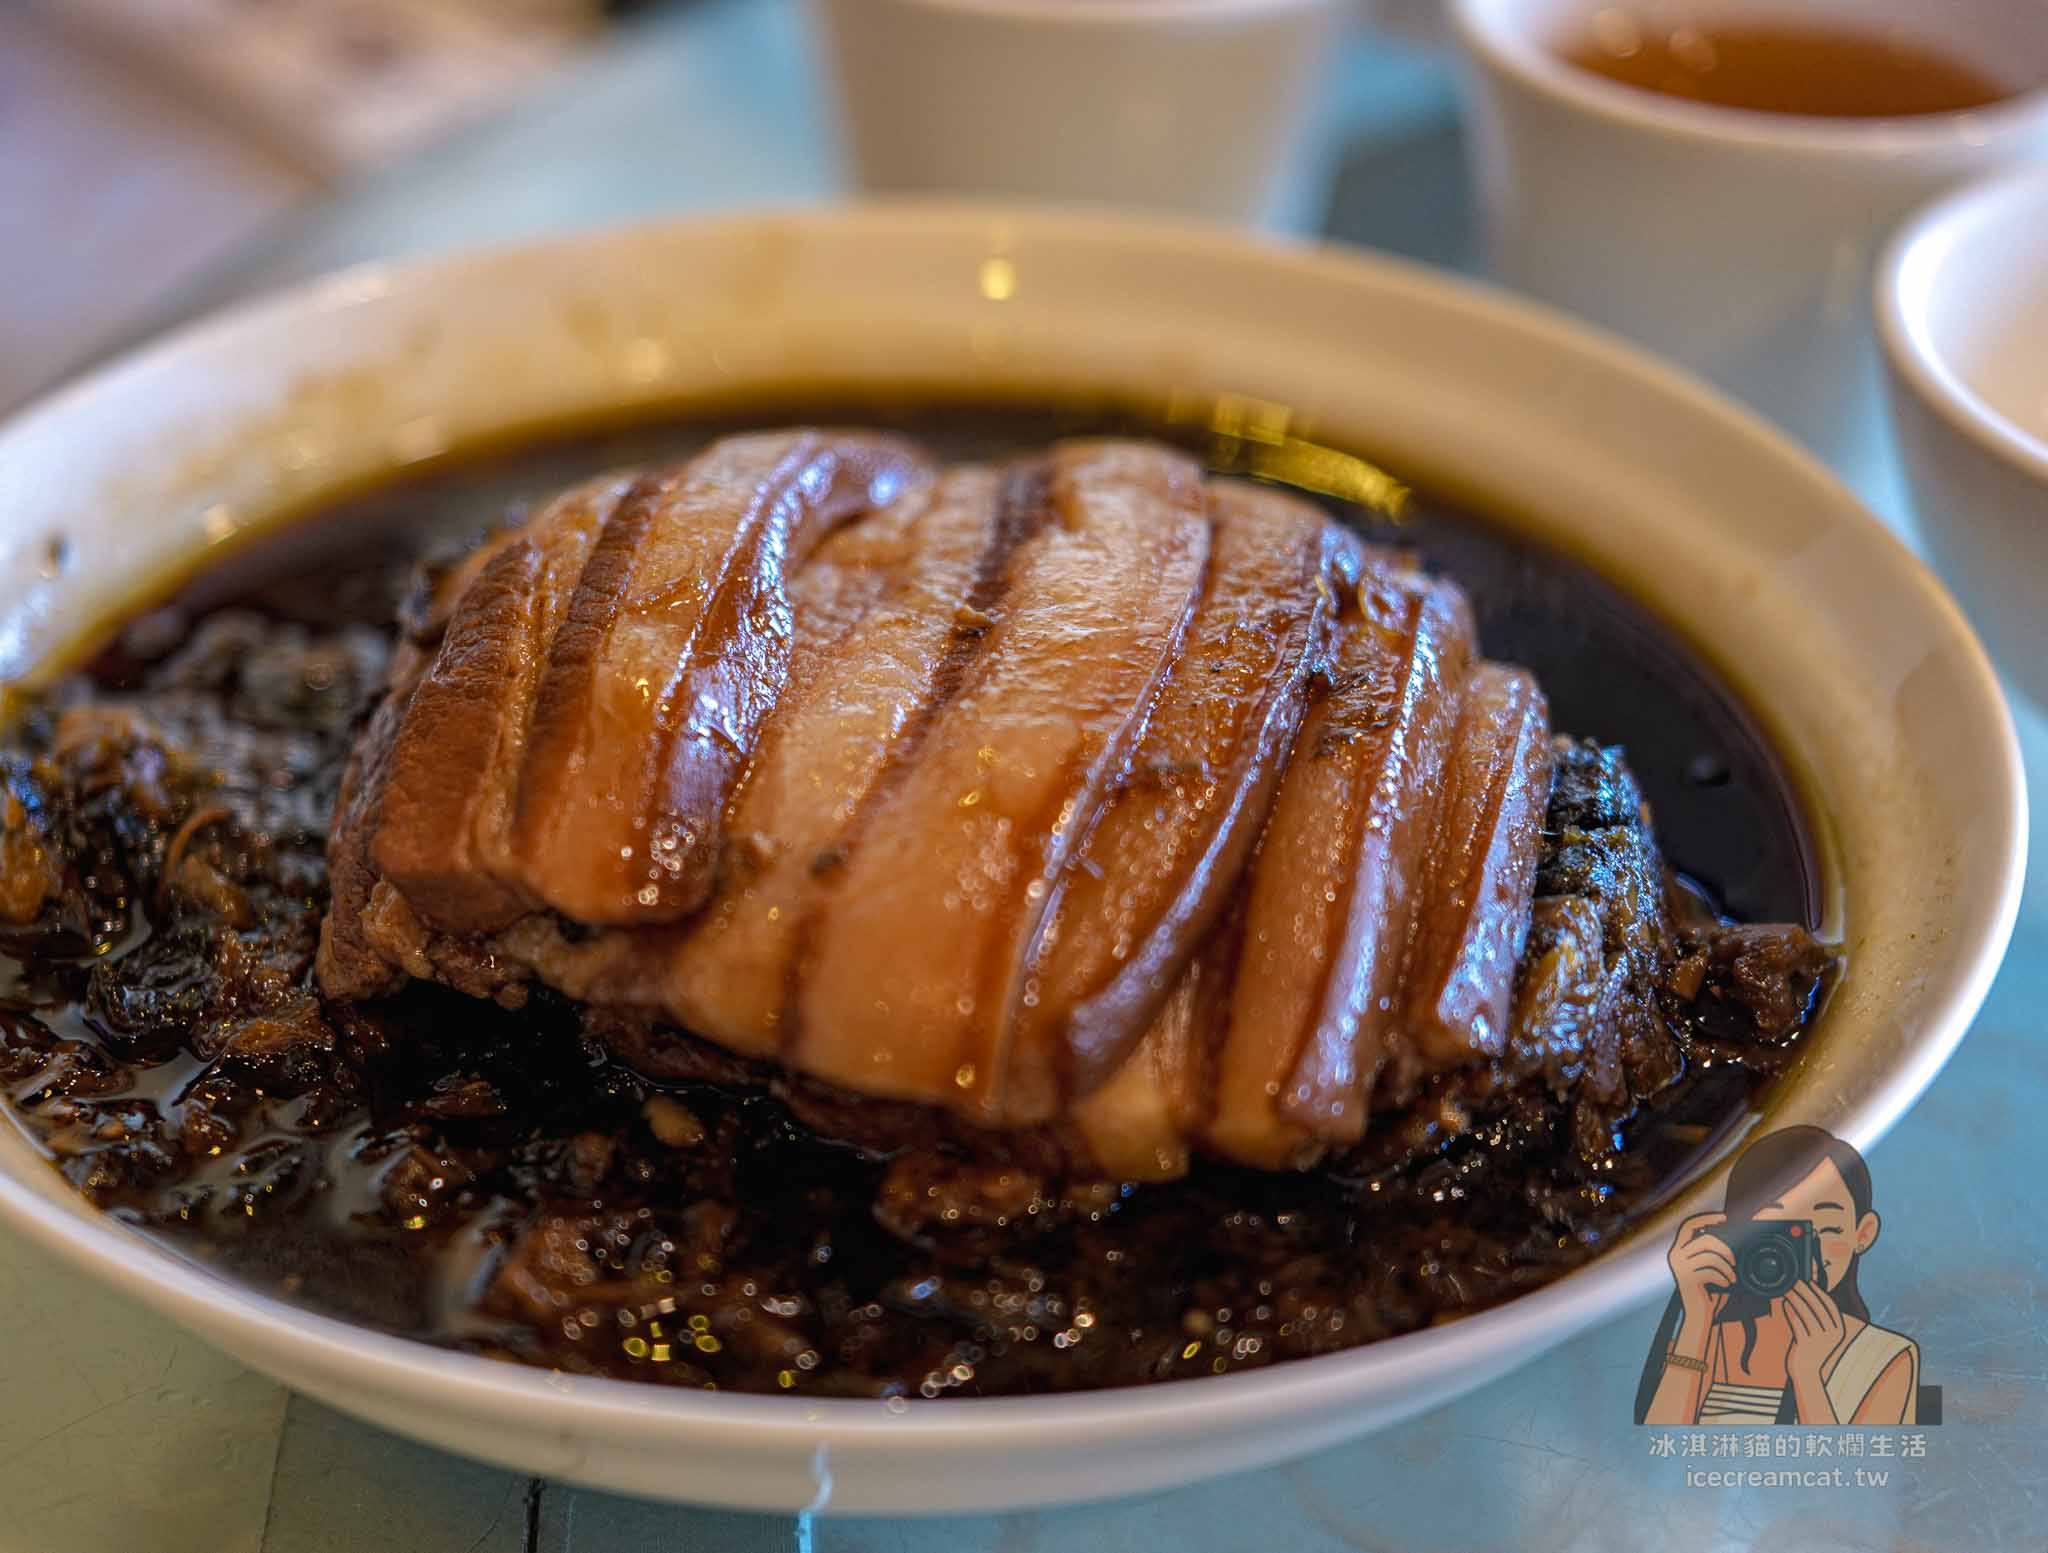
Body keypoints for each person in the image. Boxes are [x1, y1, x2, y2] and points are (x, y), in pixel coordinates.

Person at [1636, 1126, 1918, 1426]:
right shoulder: (1701, 1336)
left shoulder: (1885, 1357)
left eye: (1827, 1229)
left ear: (1863, 1233)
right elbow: (1663, 1442)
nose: (1804, 1254)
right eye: (1780, 1233)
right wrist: (1696, 1316)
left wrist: (1808, 1375)